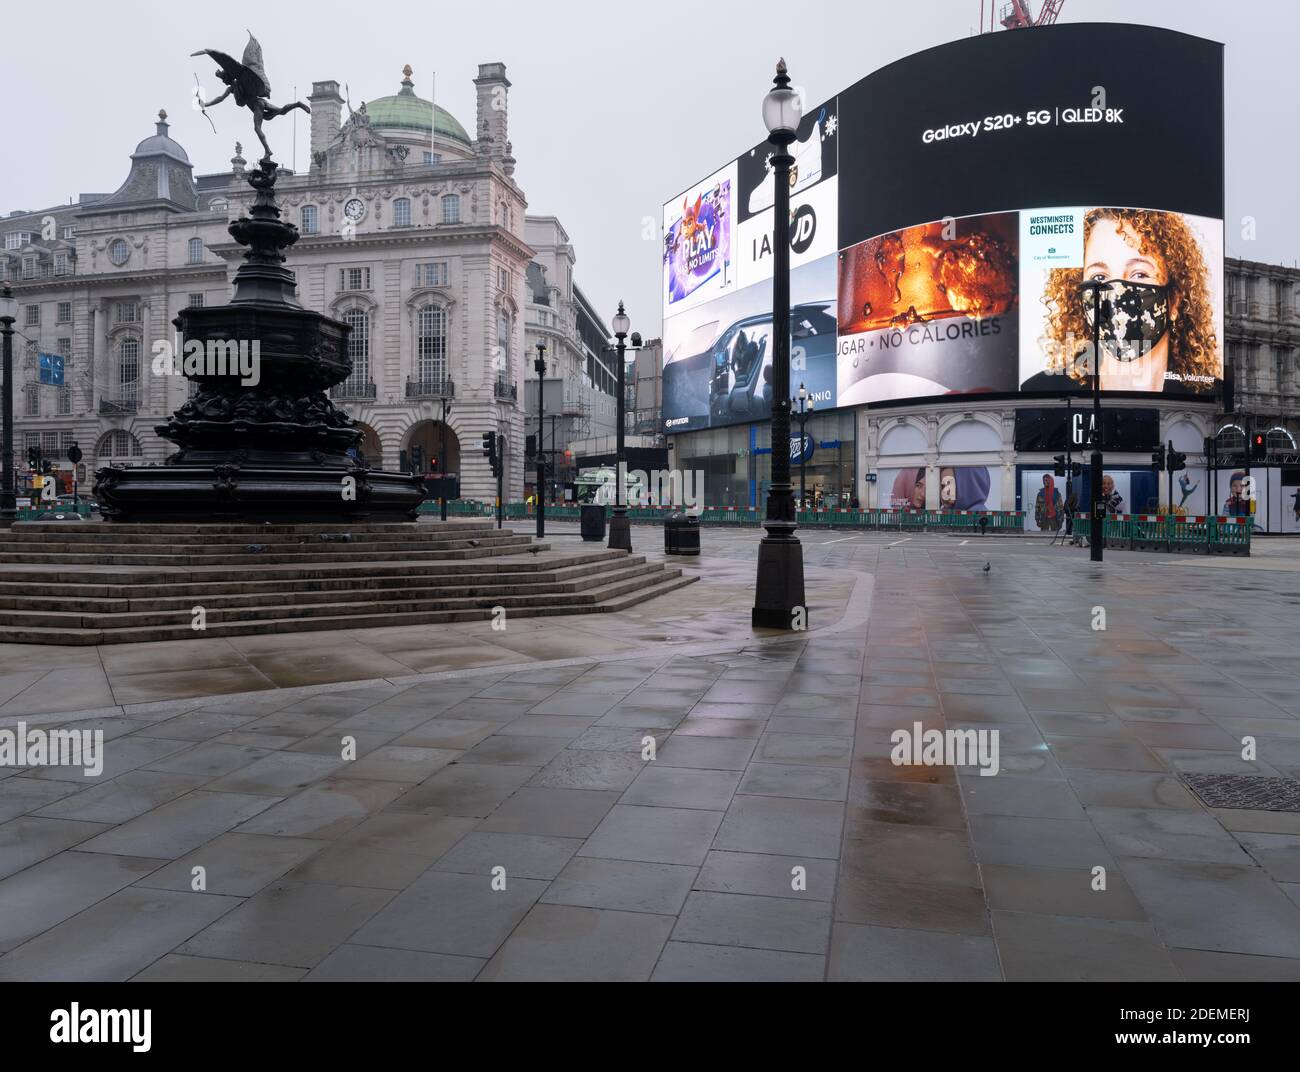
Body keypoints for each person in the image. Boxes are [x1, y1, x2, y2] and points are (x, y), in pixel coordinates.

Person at [1028, 208, 1219, 395]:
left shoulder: (1212, 397)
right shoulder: (1039, 392)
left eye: (1139, 274)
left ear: (1174, 300)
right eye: (1100, 277)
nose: (1116, 293)